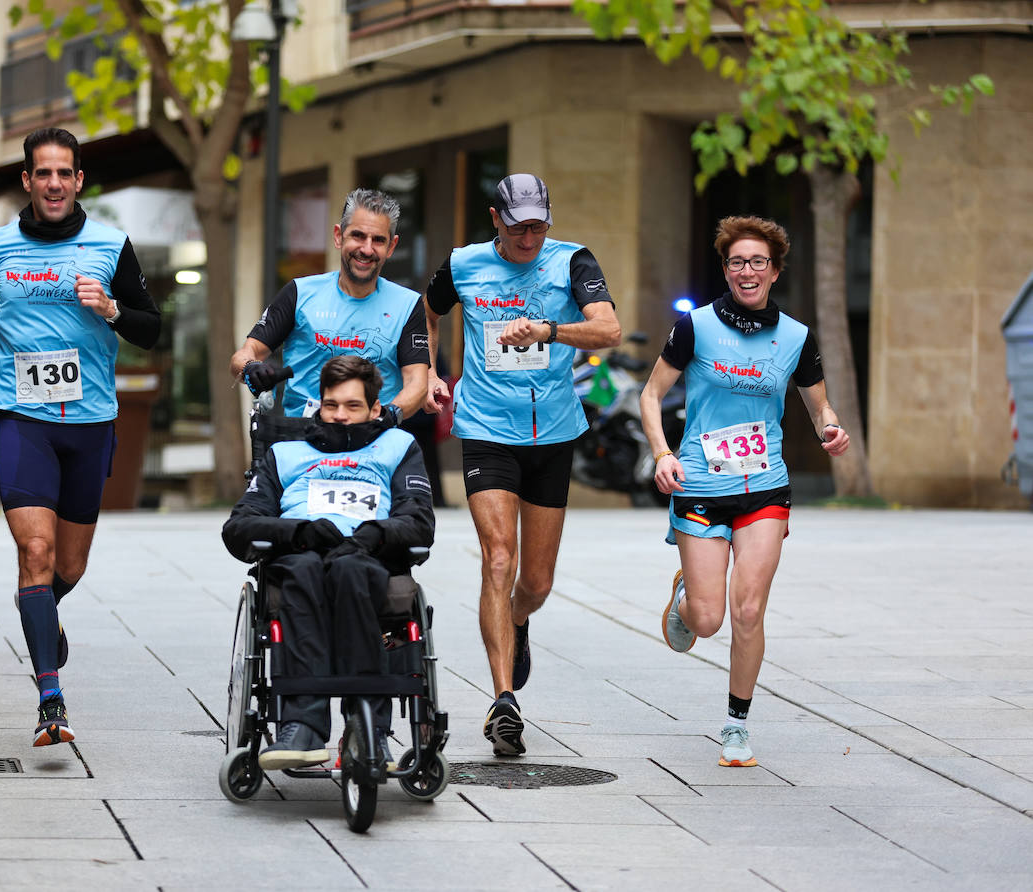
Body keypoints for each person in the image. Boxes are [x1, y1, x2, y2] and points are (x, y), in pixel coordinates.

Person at [0, 127, 160, 747]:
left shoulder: (111, 244)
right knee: (36, 552)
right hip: (21, 416)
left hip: (90, 421)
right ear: (27, 179)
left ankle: (41, 610)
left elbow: (152, 328)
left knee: (67, 567)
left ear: (78, 181)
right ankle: (51, 699)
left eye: (63, 173)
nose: (53, 184)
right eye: (42, 173)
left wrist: (111, 310)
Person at [639, 215, 849, 768]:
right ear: (726, 270)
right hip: (701, 484)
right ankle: (687, 597)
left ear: (775, 271)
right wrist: (662, 454)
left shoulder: (796, 338)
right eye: (737, 262)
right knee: (708, 620)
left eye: (758, 261)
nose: (747, 271)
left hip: (765, 486)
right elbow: (650, 395)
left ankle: (736, 727)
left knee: (749, 609)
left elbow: (819, 406)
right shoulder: (695, 327)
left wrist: (830, 428)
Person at [423, 173, 621, 756]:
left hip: (551, 433)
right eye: (518, 228)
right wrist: (429, 371)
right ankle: (503, 700)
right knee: (498, 557)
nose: (529, 238)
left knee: (535, 583)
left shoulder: (572, 262)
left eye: (538, 227)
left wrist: (549, 330)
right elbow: (426, 313)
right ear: (495, 220)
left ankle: (518, 619)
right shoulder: (463, 264)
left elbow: (608, 329)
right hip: (486, 429)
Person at [222, 355, 435, 770]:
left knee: (351, 572)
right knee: (303, 571)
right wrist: (299, 532)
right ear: (319, 405)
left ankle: (369, 725)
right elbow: (239, 526)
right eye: (331, 405)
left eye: (353, 406)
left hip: (366, 555)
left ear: (375, 408)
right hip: (300, 552)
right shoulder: (285, 454)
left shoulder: (397, 447)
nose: (340, 415)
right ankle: (301, 725)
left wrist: (375, 534)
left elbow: (420, 521)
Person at [228, 189, 430, 422]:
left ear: (391, 247)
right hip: (302, 435)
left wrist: (386, 417)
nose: (367, 249)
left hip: (374, 437)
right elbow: (244, 354)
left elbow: (417, 383)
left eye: (378, 240)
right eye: (357, 236)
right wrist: (251, 367)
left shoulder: (408, 305)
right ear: (338, 236)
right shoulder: (299, 293)